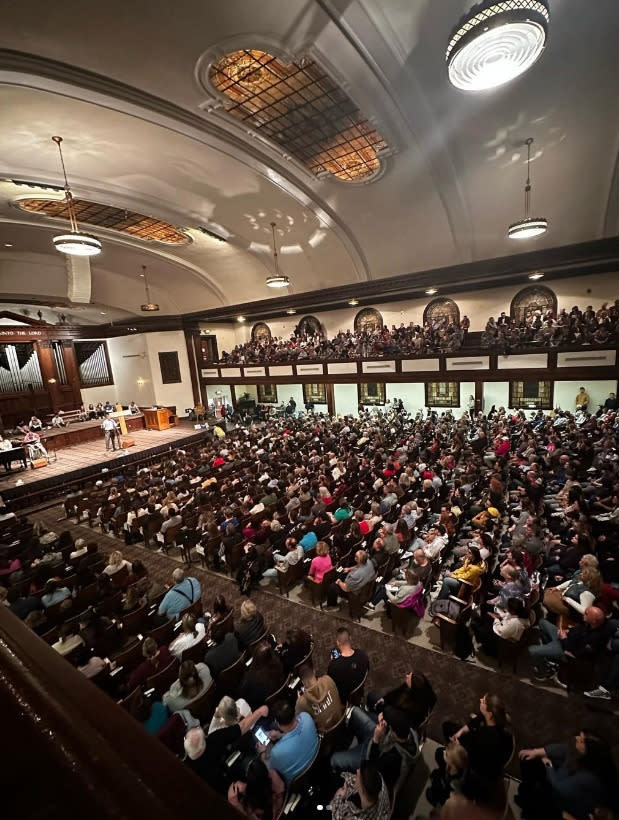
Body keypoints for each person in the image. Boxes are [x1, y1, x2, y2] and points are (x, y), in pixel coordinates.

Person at [518, 730, 616, 820]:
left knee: (530, 766)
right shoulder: (595, 762)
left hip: (568, 803)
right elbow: (565, 749)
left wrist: (548, 765)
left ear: (590, 752)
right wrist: (538, 751)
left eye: (581, 741)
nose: (576, 738)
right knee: (535, 756)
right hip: (568, 783)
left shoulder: (588, 778)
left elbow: (559, 787)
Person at [528, 606, 608, 680]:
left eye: (586, 614)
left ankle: (546, 670)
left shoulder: (594, 638)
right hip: (565, 638)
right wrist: (567, 631)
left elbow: (576, 652)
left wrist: (564, 638)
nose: (584, 614)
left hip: (565, 650)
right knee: (542, 622)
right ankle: (549, 655)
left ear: (594, 621)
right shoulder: (590, 624)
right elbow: (578, 631)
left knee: (531, 650)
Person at [263, 698, 319, 786]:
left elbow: (269, 772)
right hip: (318, 765)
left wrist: (263, 753)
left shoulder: (277, 752)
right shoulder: (306, 717)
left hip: (298, 786)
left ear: (277, 723)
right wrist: (281, 735)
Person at [295, 662, 344, 732]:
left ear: (302, 682)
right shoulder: (327, 679)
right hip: (341, 722)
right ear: (314, 671)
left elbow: (298, 724)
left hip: (325, 736)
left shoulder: (301, 702)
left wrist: (299, 700)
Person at [327, 627, 370, 702]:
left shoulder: (334, 666)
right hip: (359, 693)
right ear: (350, 638)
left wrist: (333, 662)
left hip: (344, 699)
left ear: (338, 642)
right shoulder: (363, 655)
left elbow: (331, 685)